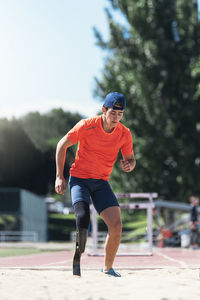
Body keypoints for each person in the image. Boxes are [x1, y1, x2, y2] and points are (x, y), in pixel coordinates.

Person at [55, 92, 136, 277]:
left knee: (116, 225)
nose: (116, 118)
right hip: (80, 179)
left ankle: (108, 269)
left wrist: (129, 165)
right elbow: (62, 145)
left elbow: (131, 159)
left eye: (120, 114)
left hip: (101, 182)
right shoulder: (86, 125)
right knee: (83, 217)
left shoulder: (124, 133)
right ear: (104, 110)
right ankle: (78, 256)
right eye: (113, 113)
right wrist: (60, 176)